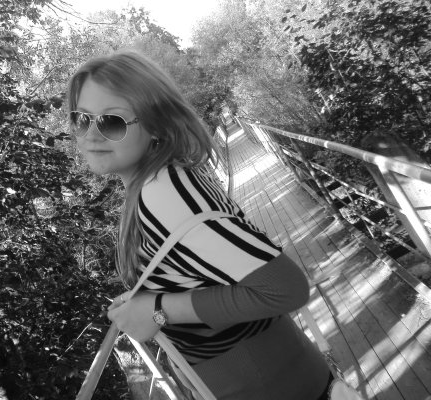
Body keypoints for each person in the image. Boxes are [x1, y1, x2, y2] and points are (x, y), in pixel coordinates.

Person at [66, 50, 332, 399]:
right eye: (81, 119)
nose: (90, 135)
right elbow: (200, 271)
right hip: (277, 374)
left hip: (269, 384)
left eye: (111, 121)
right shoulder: (163, 180)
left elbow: (285, 288)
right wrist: (146, 298)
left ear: (156, 124)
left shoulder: (163, 193)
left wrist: (157, 311)